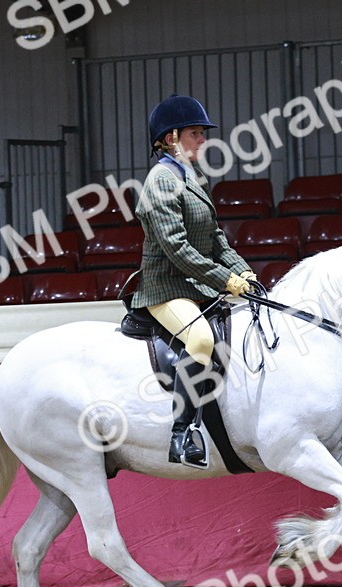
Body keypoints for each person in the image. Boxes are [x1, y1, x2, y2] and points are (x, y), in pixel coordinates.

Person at [131, 94, 256, 469]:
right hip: (165, 288)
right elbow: (177, 248)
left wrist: (243, 270)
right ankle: (182, 433)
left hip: (194, 285)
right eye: (195, 133)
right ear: (171, 138)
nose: (203, 139)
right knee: (201, 339)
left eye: (202, 133)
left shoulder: (191, 177)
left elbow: (215, 238)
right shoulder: (160, 181)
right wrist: (225, 279)